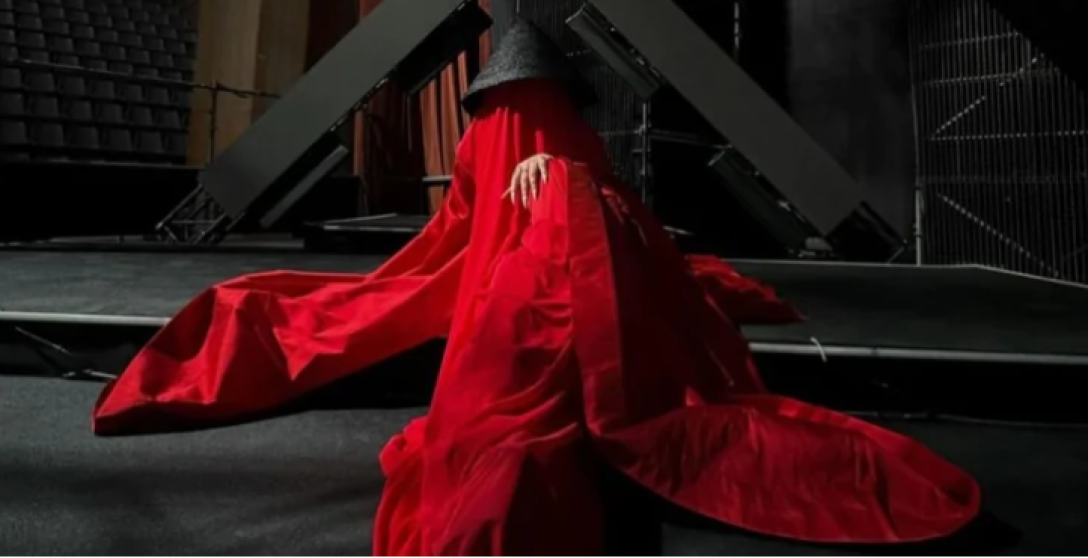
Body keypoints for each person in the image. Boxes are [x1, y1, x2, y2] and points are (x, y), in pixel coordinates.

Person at [92, 20, 980, 555]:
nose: (514, 126)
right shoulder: (542, 147)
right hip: (534, 272)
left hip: (537, 278)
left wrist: (564, 184)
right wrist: (570, 185)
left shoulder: (523, 143)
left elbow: (477, 232)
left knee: (491, 406)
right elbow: (470, 231)